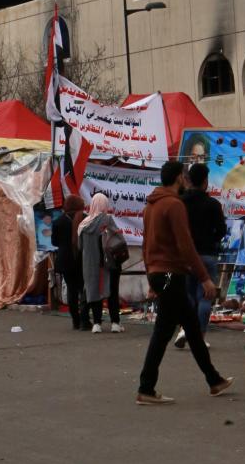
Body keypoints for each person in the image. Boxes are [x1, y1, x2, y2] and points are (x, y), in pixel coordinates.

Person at [136, 160, 233, 405]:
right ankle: (147, 387)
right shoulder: (173, 205)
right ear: (179, 177)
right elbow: (185, 245)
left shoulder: (150, 206)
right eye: (183, 176)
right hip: (171, 274)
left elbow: (146, 246)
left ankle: (213, 379)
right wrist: (204, 278)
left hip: (161, 274)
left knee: (184, 326)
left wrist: (151, 278)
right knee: (170, 330)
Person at [174, 162, 227, 348]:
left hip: (185, 256)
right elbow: (221, 230)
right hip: (207, 255)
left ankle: (184, 329)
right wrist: (210, 239)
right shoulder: (213, 204)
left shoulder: (179, 201)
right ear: (205, 182)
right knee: (206, 295)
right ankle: (200, 336)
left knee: (188, 296)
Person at [78, 193, 124, 333]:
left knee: (94, 292)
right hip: (108, 264)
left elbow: (80, 247)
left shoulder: (83, 224)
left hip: (89, 265)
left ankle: (96, 324)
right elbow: (119, 238)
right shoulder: (107, 219)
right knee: (111, 292)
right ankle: (115, 323)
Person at [51, 195, 86, 330]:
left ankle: (75, 321)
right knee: (83, 289)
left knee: (71, 289)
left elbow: (54, 242)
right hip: (81, 259)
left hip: (65, 260)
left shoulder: (59, 221)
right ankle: (84, 319)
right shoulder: (85, 219)